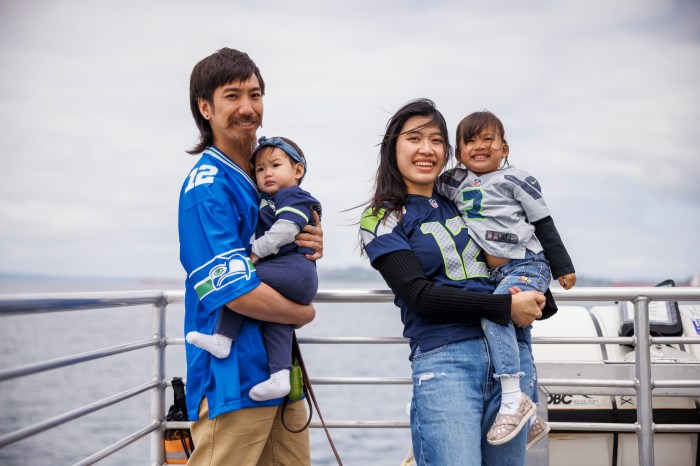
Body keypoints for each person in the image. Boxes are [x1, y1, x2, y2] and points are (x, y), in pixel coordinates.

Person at [359, 98, 557, 466]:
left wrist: (535, 297)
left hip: (511, 361)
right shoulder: (383, 217)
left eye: (436, 140)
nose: (426, 149)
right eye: (414, 138)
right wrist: (504, 307)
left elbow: (518, 264)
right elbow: (418, 295)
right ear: (393, 148)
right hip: (445, 362)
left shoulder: (467, 203)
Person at [178, 48, 323, 465]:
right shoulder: (207, 187)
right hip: (233, 381)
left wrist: (310, 235)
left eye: (255, 94)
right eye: (232, 96)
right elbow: (233, 293)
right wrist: (303, 314)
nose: (248, 108)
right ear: (205, 107)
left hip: (278, 375)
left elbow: (290, 232)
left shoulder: (262, 177)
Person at [436, 110, 576, 447]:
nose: (479, 146)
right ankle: (532, 418)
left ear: (504, 147)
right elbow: (422, 188)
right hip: (493, 271)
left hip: (525, 264)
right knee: (519, 333)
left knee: (494, 312)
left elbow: (544, 223)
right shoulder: (452, 182)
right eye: (469, 141)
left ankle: (513, 398)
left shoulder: (517, 179)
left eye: (488, 139)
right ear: (458, 150)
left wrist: (562, 267)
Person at [185, 135, 321, 402]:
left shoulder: (293, 195)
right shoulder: (264, 196)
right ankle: (280, 376)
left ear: (298, 170)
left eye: (275, 166)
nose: (267, 173)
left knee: (236, 277)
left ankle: (223, 338)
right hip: (294, 274)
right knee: (277, 320)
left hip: (294, 272)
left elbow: (285, 230)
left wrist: (254, 252)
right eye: (260, 169)